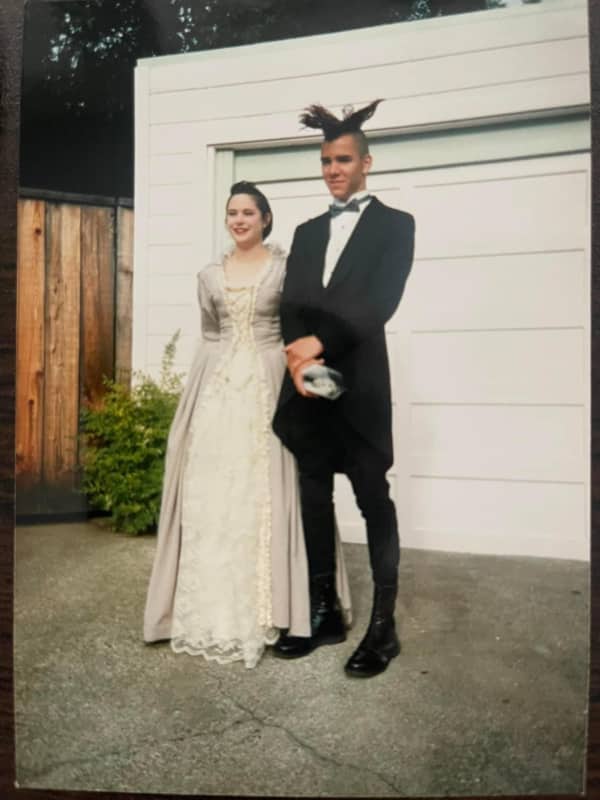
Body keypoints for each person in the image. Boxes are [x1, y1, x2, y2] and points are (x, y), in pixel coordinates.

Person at [143, 180, 352, 668]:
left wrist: (312, 379)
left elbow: (298, 328)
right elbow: (211, 333)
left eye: (248, 213)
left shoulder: (283, 269)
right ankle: (210, 605)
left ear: (265, 220)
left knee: (268, 491)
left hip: (268, 380)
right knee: (215, 492)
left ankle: (274, 604)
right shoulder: (209, 275)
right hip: (219, 392)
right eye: (232, 213)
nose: (239, 220)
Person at [272, 101, 415, 678]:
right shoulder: (307, 232)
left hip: (359, 389)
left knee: (371, 497)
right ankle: (325, 612)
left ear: (366, 164)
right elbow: (289, 305)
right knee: (312, 494)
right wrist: (300, 360)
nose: (333, 169)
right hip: (309, 387)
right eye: (327, 161)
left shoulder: (395, 225)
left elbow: (377, 304)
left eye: (344, 160)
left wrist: (316, 348)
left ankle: (383, 627)